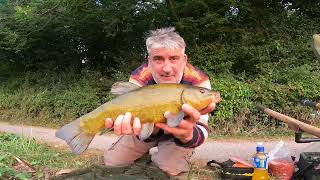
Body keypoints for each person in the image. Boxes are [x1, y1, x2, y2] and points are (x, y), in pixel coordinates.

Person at [104, 27, 216, 177]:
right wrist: (149, 129)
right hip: (146, 128)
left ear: (184, 60)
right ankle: (143, 154)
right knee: (113, 162)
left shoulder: (199, 81)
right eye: (158, 59)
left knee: (167, 170)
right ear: (149, 61)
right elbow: (137, 126)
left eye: (174, 58)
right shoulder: (139, 77)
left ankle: (167, 155)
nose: (167, 68)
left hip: (178, 136)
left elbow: (202, 127)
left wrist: (187, 136)